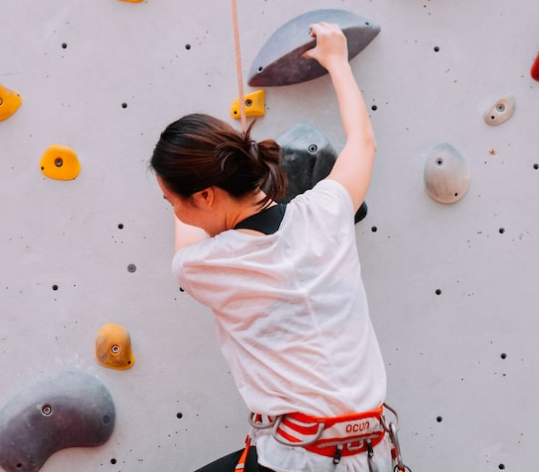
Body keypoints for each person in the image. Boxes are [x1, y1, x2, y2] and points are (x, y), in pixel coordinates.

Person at [150, 22, 390, 472]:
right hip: (367, 454)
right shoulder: (326, 212)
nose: (174, 211)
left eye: (171, 200)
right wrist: (337, 61)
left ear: (205, 195)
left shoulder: (206, 266)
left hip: (300, 461)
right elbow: (363, 142)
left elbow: (189, 234)